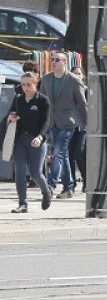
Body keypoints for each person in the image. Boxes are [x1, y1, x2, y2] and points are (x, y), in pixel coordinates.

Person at [40, 51, 87, 200]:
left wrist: (87, 123)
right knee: (63, 155)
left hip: (68, 122)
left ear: (65, 63)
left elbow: (82, 103)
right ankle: (68, 187)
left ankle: (50, 185)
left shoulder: (73, 80)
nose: (53, 62)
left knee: (58, 152)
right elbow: (41, 100)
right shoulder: (46, 79)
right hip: (52, 121)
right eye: (52, 59)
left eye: (57, 60)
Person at [4, 72, 52, 213]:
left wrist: (40, 136)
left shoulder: (43, 100)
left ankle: (46, 191)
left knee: (35, 172)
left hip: (36, 139)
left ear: (35, 84)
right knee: (19, 170)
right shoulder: (18, 99)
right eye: (23, 84)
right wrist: (12, 118)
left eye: (29, 84)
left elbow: (47, 121)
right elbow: (12, 113)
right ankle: (22, 203)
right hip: (20, 140)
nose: (25, 87)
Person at [68, 65, 87, 192]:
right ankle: (71, 183)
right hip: (69, 126)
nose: (77, 76)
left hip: (82, 127)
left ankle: (87, 180)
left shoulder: (87, 90)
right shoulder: (68, 90)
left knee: (79, 153)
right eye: (74, 73)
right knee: (68, 155)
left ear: (83, 75)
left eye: (79, 73)